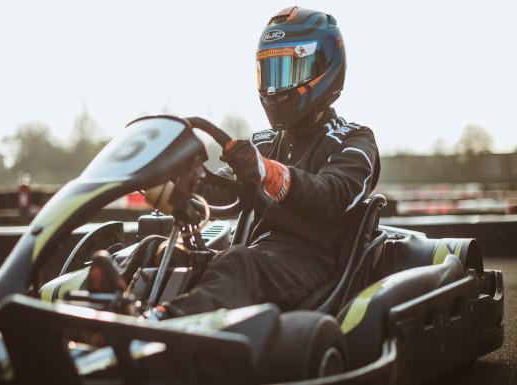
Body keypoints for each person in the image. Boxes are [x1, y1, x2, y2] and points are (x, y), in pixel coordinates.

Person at [88, 6, 380, 320]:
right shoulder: (266, 142)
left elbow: (330, 196)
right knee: (155, 248)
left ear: (324, 68)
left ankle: (160, 322)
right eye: (270, 72)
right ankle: (105, 317)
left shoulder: (355, 140)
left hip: (313, 267)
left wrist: (266, 172)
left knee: (239, 263)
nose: (275, 86)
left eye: (286, 71)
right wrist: (175, 182)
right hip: (258, 257)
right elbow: (223, 188)